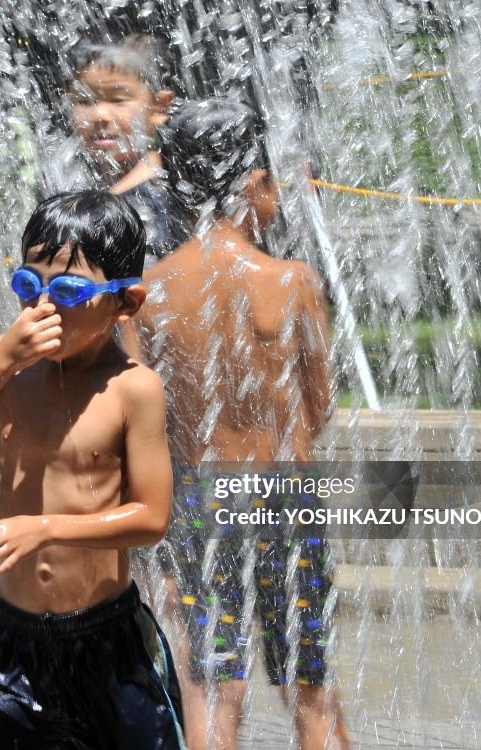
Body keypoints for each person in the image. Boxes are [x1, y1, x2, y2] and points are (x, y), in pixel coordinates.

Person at [0, 190, 186, 749]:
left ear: (125, 302)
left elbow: (152, 518)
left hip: (106, 642)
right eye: (28, 286)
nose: (43, 307)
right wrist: (3, 359)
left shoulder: (133, 389)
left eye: (67, 291)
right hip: (13, 641)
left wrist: (43, 527)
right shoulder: (6, 363)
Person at [126, 99, 349, 750]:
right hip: (283, 498)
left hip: (199, 507)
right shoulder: (291, 281)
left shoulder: (149, 295)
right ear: (252, 182)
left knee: (216, 690)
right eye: (272, 181)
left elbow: (149, 423)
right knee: (310, 691)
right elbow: (320, 407)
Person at [48, 34, 191, 264]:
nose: (100, 116)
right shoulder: (67, 179)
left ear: (159, 107)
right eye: (84, 101)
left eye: (118, 100)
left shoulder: (171, 190)